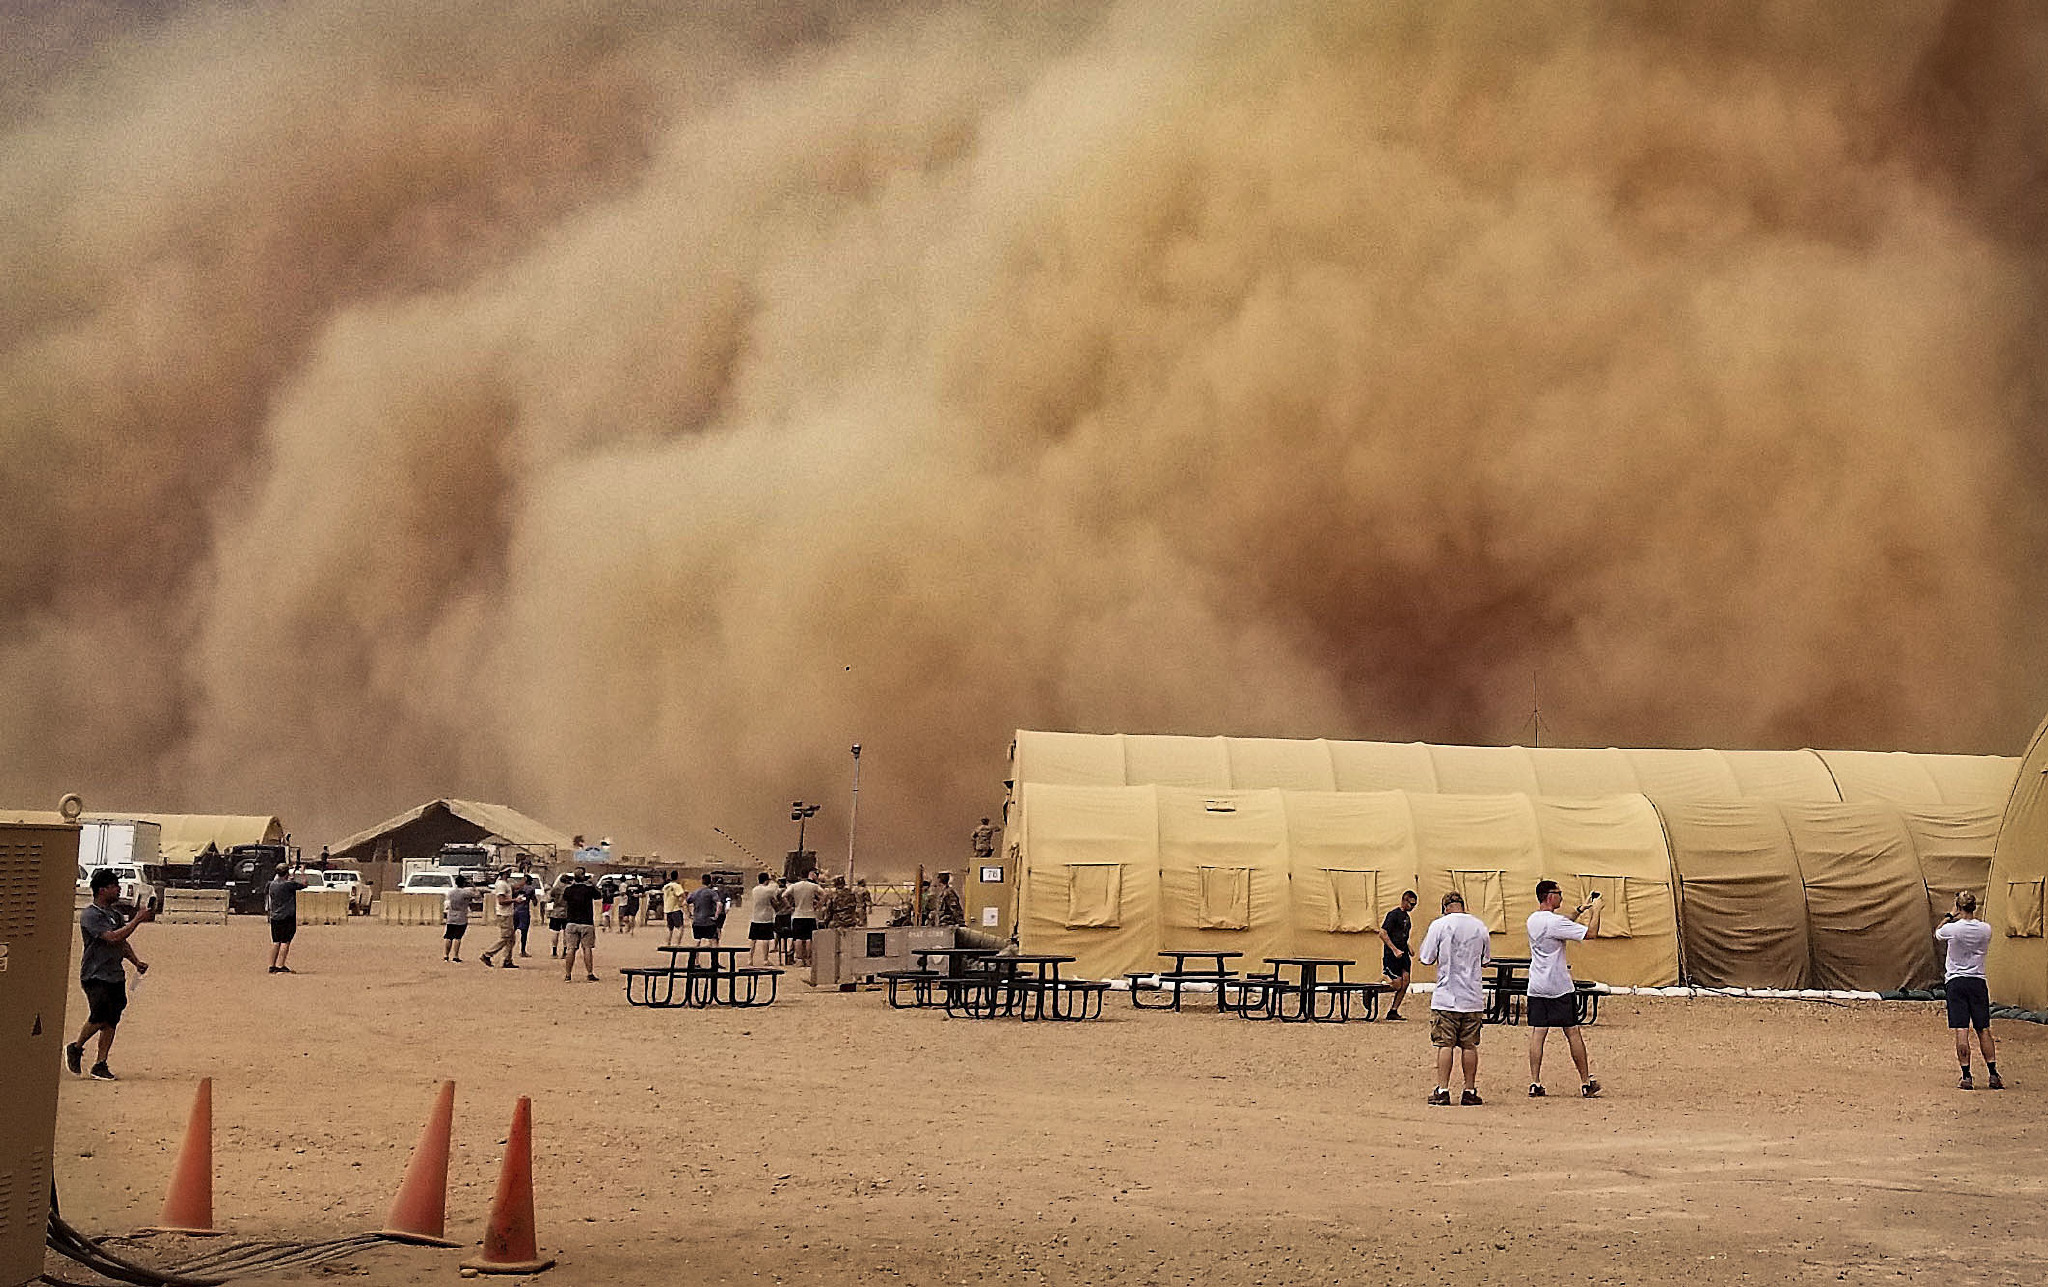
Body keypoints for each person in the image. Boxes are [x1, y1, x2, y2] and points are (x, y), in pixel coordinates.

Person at [68, 869, 153, 1081]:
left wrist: (135, 961)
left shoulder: (115, 915)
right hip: (95, 974)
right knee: (100, 1014)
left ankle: (100, 1063)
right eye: (114, 886)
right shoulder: (91, 915)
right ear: (102, 889)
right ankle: (76, 1047)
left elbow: (122, 943)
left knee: (112, 1019)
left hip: (115, 975)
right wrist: (136, 921)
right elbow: (112, 937)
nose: (118, 889)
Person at [1526, 880, 1602, 1099]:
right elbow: (1591, 934)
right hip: (1558, 985)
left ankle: (1535, 1081)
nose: (1561, 897)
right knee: (1572, 1031)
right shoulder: (1555, 923)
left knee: (1538, 1032)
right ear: (1550, 896)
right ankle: (1585, 1081)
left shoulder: (1533, 920)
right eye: (1559, 893)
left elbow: (1563, 923)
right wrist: (1596, 912)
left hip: (1537, 985)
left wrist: (1580, 910)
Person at [1417, 890, 1492, 1106]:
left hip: (1446, 995)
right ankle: (1469, 1090)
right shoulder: (1480, 926)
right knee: (1469, 1045)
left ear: (1444, 908)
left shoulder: (1439, 925)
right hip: (1473, 996)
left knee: (1445, 1044)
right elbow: (1485, 960)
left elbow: (1426, 958)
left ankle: (1443, 1090)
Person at [1936, 891, 2001, 1090]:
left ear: (1959, 907)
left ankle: (1966, 1075)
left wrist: (1949, 915)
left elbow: (1937, 932)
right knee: (1983, 1028)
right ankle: (1993, 1074)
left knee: (1961, 1029)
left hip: (1956, 982)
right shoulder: (1985, 929)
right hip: (1977, 981)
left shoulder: (1953, 929)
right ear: (1975, 907)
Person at [1378, 889, 1418, 1021]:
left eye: (1414, 905)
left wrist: (1408, 947)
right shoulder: (1393, 915)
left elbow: (1402, 936)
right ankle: (1373, 991)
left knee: (1406, 981)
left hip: (1403, 954)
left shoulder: (1407, 918)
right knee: (1396, 984)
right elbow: (1383, 933)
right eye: (1411, 904)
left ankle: (1393, 1010)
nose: (1412, 908)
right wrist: (1394, 949)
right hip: (1392, 954)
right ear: (1404, 901)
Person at [266, 864, 307, 974]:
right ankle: (280, 965)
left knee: (276, 942)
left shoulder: (272, 884)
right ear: (286, 873)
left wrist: (291, 876)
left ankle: (272, 965)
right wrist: (302, 873)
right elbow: (304, 884)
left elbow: (286, 882)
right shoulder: (288, 885)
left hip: (275, 916)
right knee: (285, 942)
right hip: (287, 916)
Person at [559, 870, 599, 982]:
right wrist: (592, 883)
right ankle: (590, 973)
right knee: (587, 948)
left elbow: (565, 899)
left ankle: (568, 974)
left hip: (571, 922)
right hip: (586, 922)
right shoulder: (589, 889)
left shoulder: (568, 890)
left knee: (570, 949)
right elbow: (598, 895)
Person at [479, 872, 521, 967]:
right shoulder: (501, 885)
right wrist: (515, 900)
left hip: (508, 913)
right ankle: (487, 954)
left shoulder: (505, 883)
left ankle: (507, 960)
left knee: (511, 939)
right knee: (505, 938)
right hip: (504, 914)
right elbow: (501, 901)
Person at [787, 869, 823, 966]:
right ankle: (808, 959)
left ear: (799, 876)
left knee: (798, 938)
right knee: (809, 938)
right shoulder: (813, 886)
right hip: (810, 915)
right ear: (808, 875)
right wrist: (818, 904)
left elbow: (783, 895)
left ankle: (799, 959)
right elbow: (824, 894)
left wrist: (790, 906)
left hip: (798, 914)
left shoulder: (794, 886)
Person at [746, 872, 780, 967]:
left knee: (753, 940)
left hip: (755, 917)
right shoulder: (769, 891)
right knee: (766, 939)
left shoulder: (755, 890)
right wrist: (774, 880)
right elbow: (775, 897)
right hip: (766, 918)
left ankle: (750, 959)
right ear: (766, 880)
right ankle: (765, 959)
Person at [443, 874, 475, 962]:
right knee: (458, 937)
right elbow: (477, 895)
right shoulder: (465, 893)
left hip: (451, 916)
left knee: (448, 936)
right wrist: (472, 885)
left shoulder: (451, 892)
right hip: (461, 916)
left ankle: (446, 955)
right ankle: (455, 956)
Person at [687, 874, 725, 944]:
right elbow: (719, 904)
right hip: (709, 921)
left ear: (702, 881)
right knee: (714, 940)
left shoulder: (695, 892)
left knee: (697, 941)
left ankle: (695, 955)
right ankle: (714, 955)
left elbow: (685, 903)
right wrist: (716, 916)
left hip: (697, 921)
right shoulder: (711, 892)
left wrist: (689, 914)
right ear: (710, 882)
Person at [512, 873, 536, 956]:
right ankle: (522, 950)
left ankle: (509, 949)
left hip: (515, 910)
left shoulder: (516, 888)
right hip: (524, 911)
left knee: (512, 930)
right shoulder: (531, 889)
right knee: (524, 932)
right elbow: (535, 901)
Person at [662, 870, 689, 946]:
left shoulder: (666, 886)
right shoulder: (677, 886)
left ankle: (668, 943)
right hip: (675, 909)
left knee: (670, 928)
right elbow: (682, 895)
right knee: (680, 928)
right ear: (677, 877)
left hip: (667, 909)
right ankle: (678, 943)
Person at [546, 876, 570, 957]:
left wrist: (548, 911)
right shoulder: (569, 889)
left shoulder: (555, 888)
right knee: (566, 933)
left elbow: (550, 900)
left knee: (555, 932)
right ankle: (564, 951)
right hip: (567, 913)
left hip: (556, 912)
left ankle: (554, 951)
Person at [773, 877, 794, 963]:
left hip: (779, 913)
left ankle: (776, 947)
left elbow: (774, 902)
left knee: (779, 933)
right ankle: (786, 949)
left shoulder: (777, 892)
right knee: (788, 931)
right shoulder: (789, 891)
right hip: (788, 913)